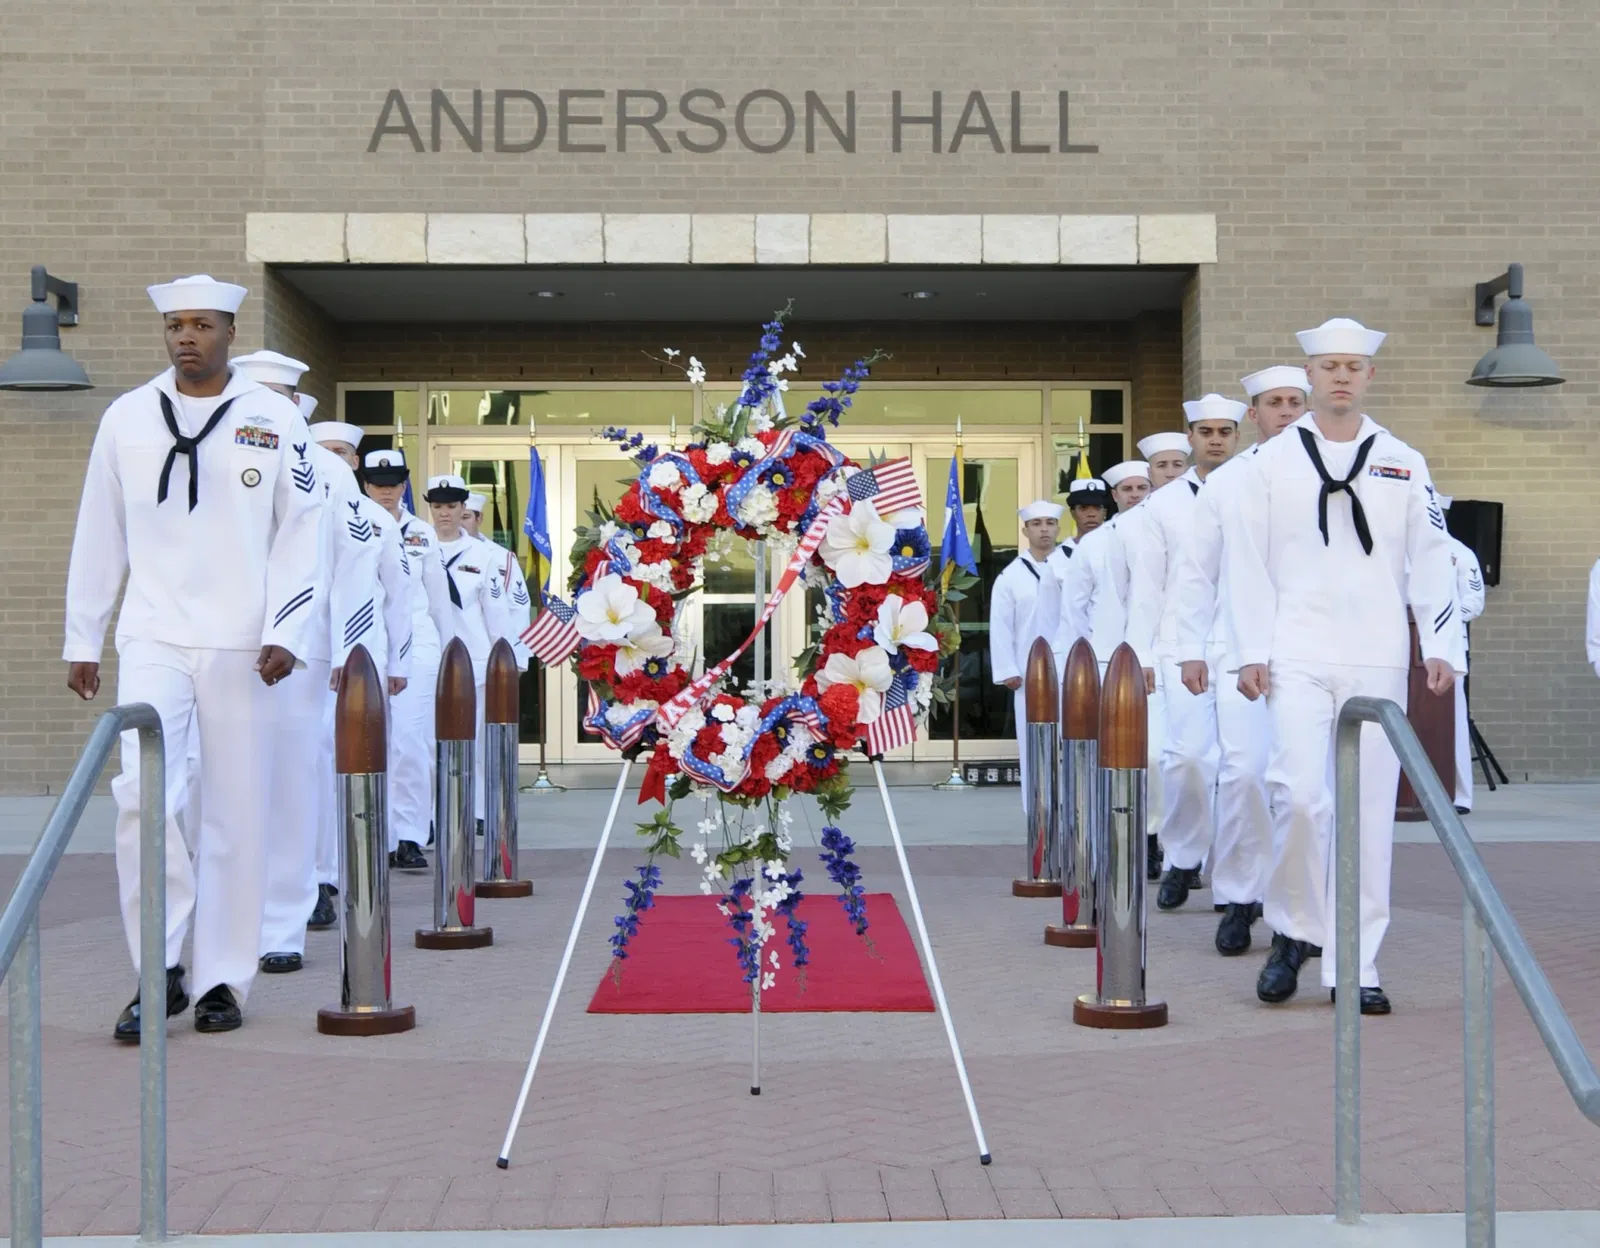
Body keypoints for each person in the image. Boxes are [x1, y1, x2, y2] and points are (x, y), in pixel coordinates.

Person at [64, 276, 323, 1038]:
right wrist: (84, 637)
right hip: (154, 635)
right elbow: (99, 529)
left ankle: (222, 981)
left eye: (201, 324)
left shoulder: (274, 418)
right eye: (175, 325)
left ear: (230, 333)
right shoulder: (127, 417)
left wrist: (288, 628)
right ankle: (161, 967)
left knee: (235, 812)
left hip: (244, 642)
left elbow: (302, 531)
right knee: (142, 795)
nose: (186, 337)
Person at [1226, 318, 1456, 1015]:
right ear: (1310, 376)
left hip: (1376, 654)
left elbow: (1433, 554)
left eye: (1354, 366)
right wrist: (1250, 651)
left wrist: (1440, 643)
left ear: (1369, 376)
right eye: (1329, 366)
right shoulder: (1267, 465)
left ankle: (1356, 963)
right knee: (1297, 796)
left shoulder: (1403, 459)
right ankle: (1296, 930)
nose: (1342, 377)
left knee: (1366, 815)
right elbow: (1247, 562)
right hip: (1294, 650)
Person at [230, 355, 411, 966]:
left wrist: (343, 651)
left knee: (296, 779)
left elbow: (348, 579)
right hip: (223, 643)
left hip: (297, 653)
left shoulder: (327, 479)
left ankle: (295, 907)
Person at [1170, 365, 1310, 955]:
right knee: (1246, 773)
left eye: (1294, 401)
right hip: (1235, 650)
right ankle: (1240, 893)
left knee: (1305, 791)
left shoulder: (1333, 471)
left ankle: (1297, 912)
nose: (1285, 411)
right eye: (1273, 403)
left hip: (1311, 650)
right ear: (1253, 414)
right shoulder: (1232, 481)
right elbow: (1196, 571)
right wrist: (1189, 649)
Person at [1127, 396, 1242, 914]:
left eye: (1225, 431)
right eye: (1205, 431)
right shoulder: (1163, 505)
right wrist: (1142, 654)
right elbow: (1147, 587)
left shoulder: (1253, 490)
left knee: (1244, 769)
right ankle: (1183, 855)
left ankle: (1240, 881)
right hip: (1180, 646)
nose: (1215, 439)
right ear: (1190, 438)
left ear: (1238, 437)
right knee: (1188, 757)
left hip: (1245, 644)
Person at [364, 451, 457, 869]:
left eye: (393, 481)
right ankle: (373, 834)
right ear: (364, 483)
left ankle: (410, 834)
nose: (385, 489)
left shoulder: (422, 533)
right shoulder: (349, 523)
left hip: (417, 647)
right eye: (377, 481)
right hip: (365, 644)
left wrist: (452, 655)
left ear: (403, 485)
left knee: (409, 741)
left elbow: (439, 600)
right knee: (369, 743)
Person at [428, 474, 514, 822]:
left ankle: (476, 811)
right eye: (437, 506)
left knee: (474, 738)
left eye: (451, 506)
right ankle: (431, 816)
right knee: (427, 741)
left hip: (474, 657)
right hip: (429, 655)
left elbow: (495, 606)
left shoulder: (483, 554)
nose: (444, 513)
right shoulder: (414, 544)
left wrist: (502, 657)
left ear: (464, 507)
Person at [989, 500, 1065, 795]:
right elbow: (1001, 626)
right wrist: (1008, 668)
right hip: (1028, 671)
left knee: (1075, 739)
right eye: (1036, 524)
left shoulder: (1071, 564)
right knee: (1033, 743)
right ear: (1025, 530)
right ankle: (1036, 809)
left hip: (1071, 667)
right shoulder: (1011, 576)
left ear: (1059, 527)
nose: (1044, 529)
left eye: (1049, 523)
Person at [1439, 497, 1485, 812]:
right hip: (1406, 656)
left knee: (1452, 724)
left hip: (1450, 652)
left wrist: (1438, 621)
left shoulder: (1461, 554)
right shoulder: (1401, 554)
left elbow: (1474, 603)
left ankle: (1459, 796)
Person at [466, 492, 534, 669]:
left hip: (491, 654)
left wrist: (517, 660)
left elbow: (518, 608)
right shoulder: (438, 550)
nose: (460, 523)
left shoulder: (501, 558)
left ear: (479, 518)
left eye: (466, 517)